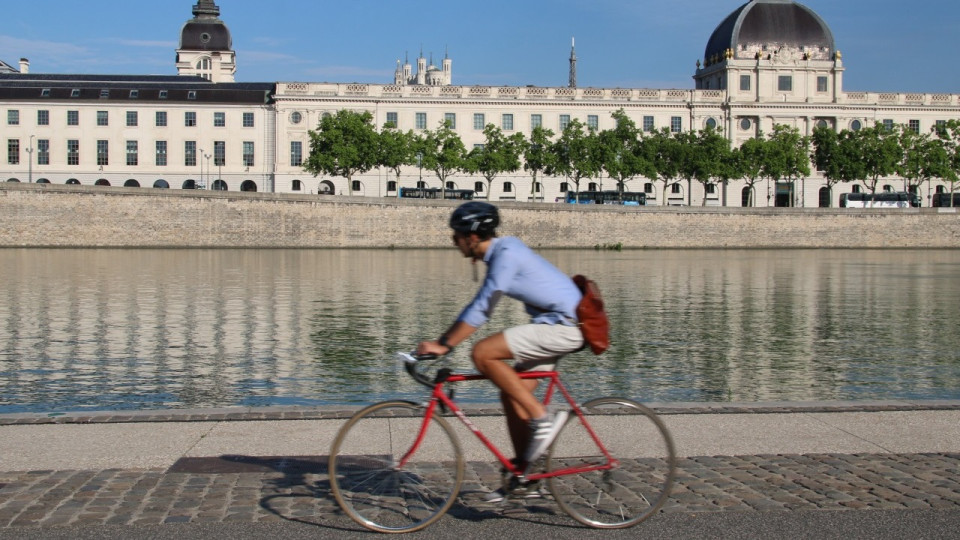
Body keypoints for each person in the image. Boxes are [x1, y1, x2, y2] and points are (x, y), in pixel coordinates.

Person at [417, 201, 584, 502]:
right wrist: (444, 340)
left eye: (456, 235)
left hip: (565, 326)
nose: (453, 241)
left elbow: (483, 308)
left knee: (482, 354)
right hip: (555, 323)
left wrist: (444, 344)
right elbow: (480, 305)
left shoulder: (506, 254)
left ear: (472, 236)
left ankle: (541, 417)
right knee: (510, 391)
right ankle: (524, 477)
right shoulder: (503, 253)